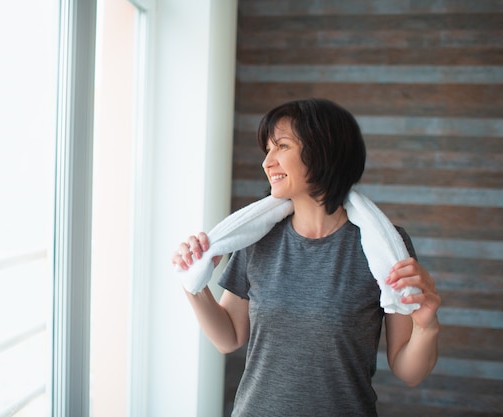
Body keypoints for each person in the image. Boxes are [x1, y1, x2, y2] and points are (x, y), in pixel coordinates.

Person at [172, 98, 440, 417]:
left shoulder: (382, 248)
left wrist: (426, 326)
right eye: (267, 150)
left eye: (281, 146)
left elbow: (408, 371)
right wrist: (194, 283)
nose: (267, 162)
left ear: (323, 152)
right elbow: (229, 337)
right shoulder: (256, 238)